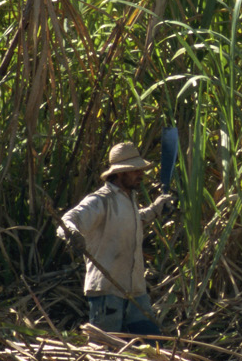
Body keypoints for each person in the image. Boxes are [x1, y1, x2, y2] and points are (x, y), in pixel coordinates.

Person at [57, 141, 171, 335]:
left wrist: (155, 210)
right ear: (119, 173)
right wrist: (73, 234)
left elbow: (133, 221)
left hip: (135, 289)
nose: (140, 174)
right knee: (105, 350)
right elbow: (67, 220)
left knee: (152, 344)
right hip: (107, 292)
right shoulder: (101, 200)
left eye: (140, 169)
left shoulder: (129, 198)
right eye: (134, 170)